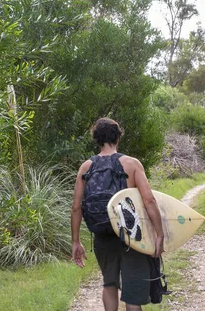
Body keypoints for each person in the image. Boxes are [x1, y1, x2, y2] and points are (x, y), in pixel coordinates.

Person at [71, 118, 164, 311]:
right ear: (118, 137)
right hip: (131, 237)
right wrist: (159, 234)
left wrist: (75, 242)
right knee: (132, 294)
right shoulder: (131, 164)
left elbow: (76, 207)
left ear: (97, 139)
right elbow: (149, 201)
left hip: (102, 236)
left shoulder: (86, 167)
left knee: (109, 284)